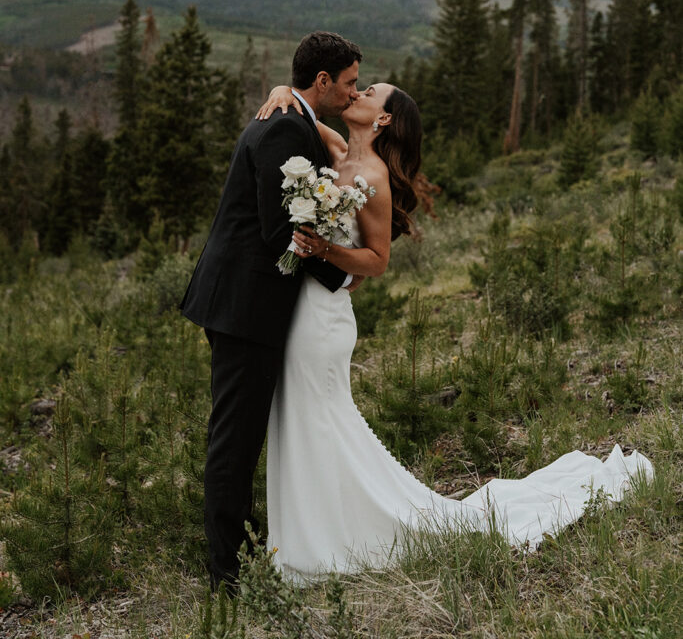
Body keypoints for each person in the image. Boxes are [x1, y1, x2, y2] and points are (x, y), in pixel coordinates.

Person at [257, 82, 654, 581]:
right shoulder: (339, 150)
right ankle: (310, 531)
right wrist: (281, 89)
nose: (359, 91)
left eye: (371, 92)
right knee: (307, 416)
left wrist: (324, 251)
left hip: (325, 321)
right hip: (304, 310)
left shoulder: (374, 175)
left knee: (316, 417)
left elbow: (376, 262)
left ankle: (321, 542)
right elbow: (303, 108)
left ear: (382, 120)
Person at [180, 30, 362, 590]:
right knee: (235, 436)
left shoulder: (295, 117)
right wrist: (344, 273)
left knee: (244, 430)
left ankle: (240, 540)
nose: (355, 93)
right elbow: (283, 229)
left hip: (246, 301)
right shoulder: (286, 124)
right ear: (323, 80)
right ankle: (224, 571)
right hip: (245, 305)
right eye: (350, 83)